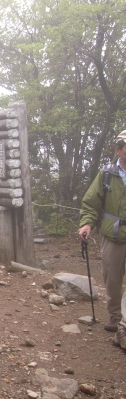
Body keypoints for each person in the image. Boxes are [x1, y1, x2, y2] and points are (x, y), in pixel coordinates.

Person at [79, 130, 126, 345]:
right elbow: (91, 202)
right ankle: (115, 315)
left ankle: (124, 323)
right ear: (118, 150)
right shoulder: (107, 174)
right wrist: (87, 223)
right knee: (112, 277)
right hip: (113, 234)